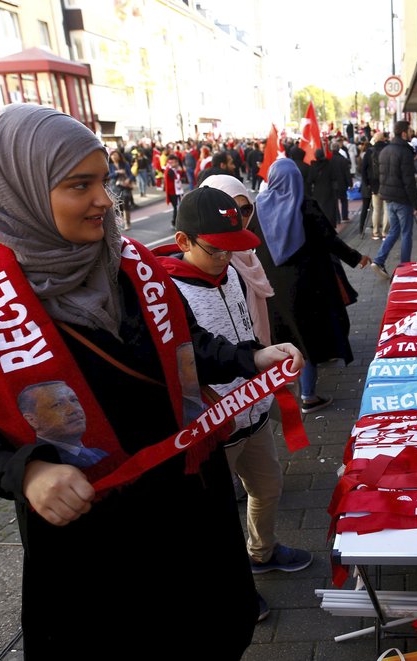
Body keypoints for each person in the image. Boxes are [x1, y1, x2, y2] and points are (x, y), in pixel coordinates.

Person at [0, 104, 304, 659]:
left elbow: (189, 349)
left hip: (192, 511)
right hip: (96, 548)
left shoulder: (135, 269)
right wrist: (26, 472)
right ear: (12, 191)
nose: (105, 199)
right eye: (80, 185)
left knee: (211, 637)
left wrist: (252, 358)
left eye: (105, 179)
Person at [155, 183, 312, 624]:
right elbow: (196, 355)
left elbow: (246, 332)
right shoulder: (167, 292)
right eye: (217, 250)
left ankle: (261, 552)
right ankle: (227, 590)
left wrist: (268, 354)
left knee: (268, 489)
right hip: (212, 427)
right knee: (213, 519)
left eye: (233, 248)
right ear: (184, 241)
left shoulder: (233, 273)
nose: (227, 258)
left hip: (254, 413)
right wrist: (248, 362)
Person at [252, 158, 371, 414]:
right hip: (309, 287)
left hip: (270, 288)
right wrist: (356, 257)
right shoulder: (306, 207)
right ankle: (308, 395)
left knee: (283, 336)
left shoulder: (257, 208)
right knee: (308, 338)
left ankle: (283, 393)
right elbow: (330, 240)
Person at [370, 120, 417, 279]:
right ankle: (404, 267)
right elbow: (409, 181)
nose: (411, 133)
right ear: (404, 133)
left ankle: (379, 260)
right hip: (402, 199)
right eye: (409, 130)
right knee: (406, 233)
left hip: (388, 197)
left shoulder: (385, 150)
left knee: (394, 231)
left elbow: (382, 175)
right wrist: (416, 203)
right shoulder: (404, 152)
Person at [17, 381, 109, 468]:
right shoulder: (43, 465)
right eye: (58, 405)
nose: (74, 410)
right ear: (32, 420)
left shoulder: (100, 454)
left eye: (74, 400)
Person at [365, 132, 388, 239]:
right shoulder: (388, 149)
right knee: (387, 209)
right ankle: (385, 232)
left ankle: (375, 232)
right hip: (387, 183)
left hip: (374, 184)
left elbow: (364, 169)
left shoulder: (369, 151)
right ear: (384, 139)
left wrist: (367, 183)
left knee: (376, 209)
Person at [163, 153, 183, 227]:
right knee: (177, 208)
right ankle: (175, 222)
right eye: (176, 162)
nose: (177, 164)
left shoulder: (172, 169)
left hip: (176, 191)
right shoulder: (169, 170)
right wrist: (180, 171)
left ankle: (176, 222)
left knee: (177, 207)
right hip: (173, 192)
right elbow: (176, 178)